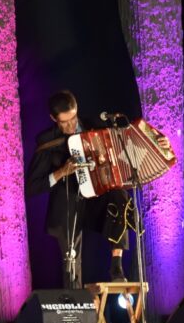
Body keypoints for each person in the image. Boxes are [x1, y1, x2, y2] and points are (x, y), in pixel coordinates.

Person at [24, 90, 135, 289]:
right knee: (71, 257)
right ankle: (75, 301)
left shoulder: (95, 125)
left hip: (95, 199)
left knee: (120, 196)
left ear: (77, 110)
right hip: (68, 202)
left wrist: (157, 142)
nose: (70, 126)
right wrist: (61, 172)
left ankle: (116, 266)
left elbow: (126, 144)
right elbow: (32, 187)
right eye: (64, 122)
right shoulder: (47, 141)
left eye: (73, 119)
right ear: (53, 119)